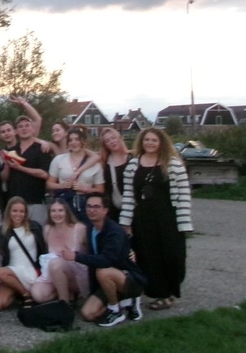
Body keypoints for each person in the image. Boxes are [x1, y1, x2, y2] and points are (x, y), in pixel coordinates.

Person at [120, 128, 193, 311]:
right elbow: (129, 195)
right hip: (143, 218)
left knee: (172, 254)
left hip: (167, 217)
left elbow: (184, 195)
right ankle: (159, 293)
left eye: (154, 140)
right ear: (141, 142)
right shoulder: (133, 165)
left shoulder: (173, 164)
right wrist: (125, 221)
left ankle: (172, 292)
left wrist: (184, 223)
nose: (150, 143)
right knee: (148, 255)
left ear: (161, 142)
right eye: (146, 140)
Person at [61, 193, 146, 327]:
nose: (91, 210)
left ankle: (115, 309)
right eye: (89, 206)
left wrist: (76, 256)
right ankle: (126, 302)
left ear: (105, 210)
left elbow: (105, 261)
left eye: (96, 207)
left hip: (128, 278)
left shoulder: (114, 231)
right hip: (106, 281)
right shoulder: (90, 229)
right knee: (88, 314)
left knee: (103, 271)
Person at [0, 197, 49, 311]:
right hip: (12, 273)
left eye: (21, 211)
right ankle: (23, 293)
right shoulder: (2, 231)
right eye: (15, 211)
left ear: (26, 213)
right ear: (9, 212)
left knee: (0, 272)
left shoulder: (35, 227)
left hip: (30, 271)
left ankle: (25, 295)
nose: (18, 214)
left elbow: (43, 248)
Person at [29, 199, 89, 304]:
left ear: (66, 212)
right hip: (54, 274)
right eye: (53, 211)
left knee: (56, 264)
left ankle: (64, 303)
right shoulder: (47, 229)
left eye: (60, 210)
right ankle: (63, 292)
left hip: (77, 274)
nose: (57, 214)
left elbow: (89, 253)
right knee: (38, 295)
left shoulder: (79, 228)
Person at [1, 116, 52, 223]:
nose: (24, 129)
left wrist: (20, 168)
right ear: (16, 131)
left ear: (32, 129)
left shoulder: (41, 149)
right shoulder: (11, 151)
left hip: (35, 201)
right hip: (14, 203)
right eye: (20, 127)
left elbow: (44, 174)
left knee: (37, 235)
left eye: (27, 126)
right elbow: (4, 178)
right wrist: (6, 165)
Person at [47, 127, 104, 221]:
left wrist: (84, 189)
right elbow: (49, 184)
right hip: (65, 203)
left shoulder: (94, 165)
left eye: (77, 139)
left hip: (86, 204)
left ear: (83, 141)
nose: (74, 143)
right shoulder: (59, 160)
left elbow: (100, 190)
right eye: (70, 140)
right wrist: (63, 185)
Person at [100, 127, 132, 221]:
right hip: (115, 208)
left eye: (113, 138)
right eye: (107, 140)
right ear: (105, 145)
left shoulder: (133, 158)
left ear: (119, 138)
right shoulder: (104, 163)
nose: (111, 142)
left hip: (134, 206)